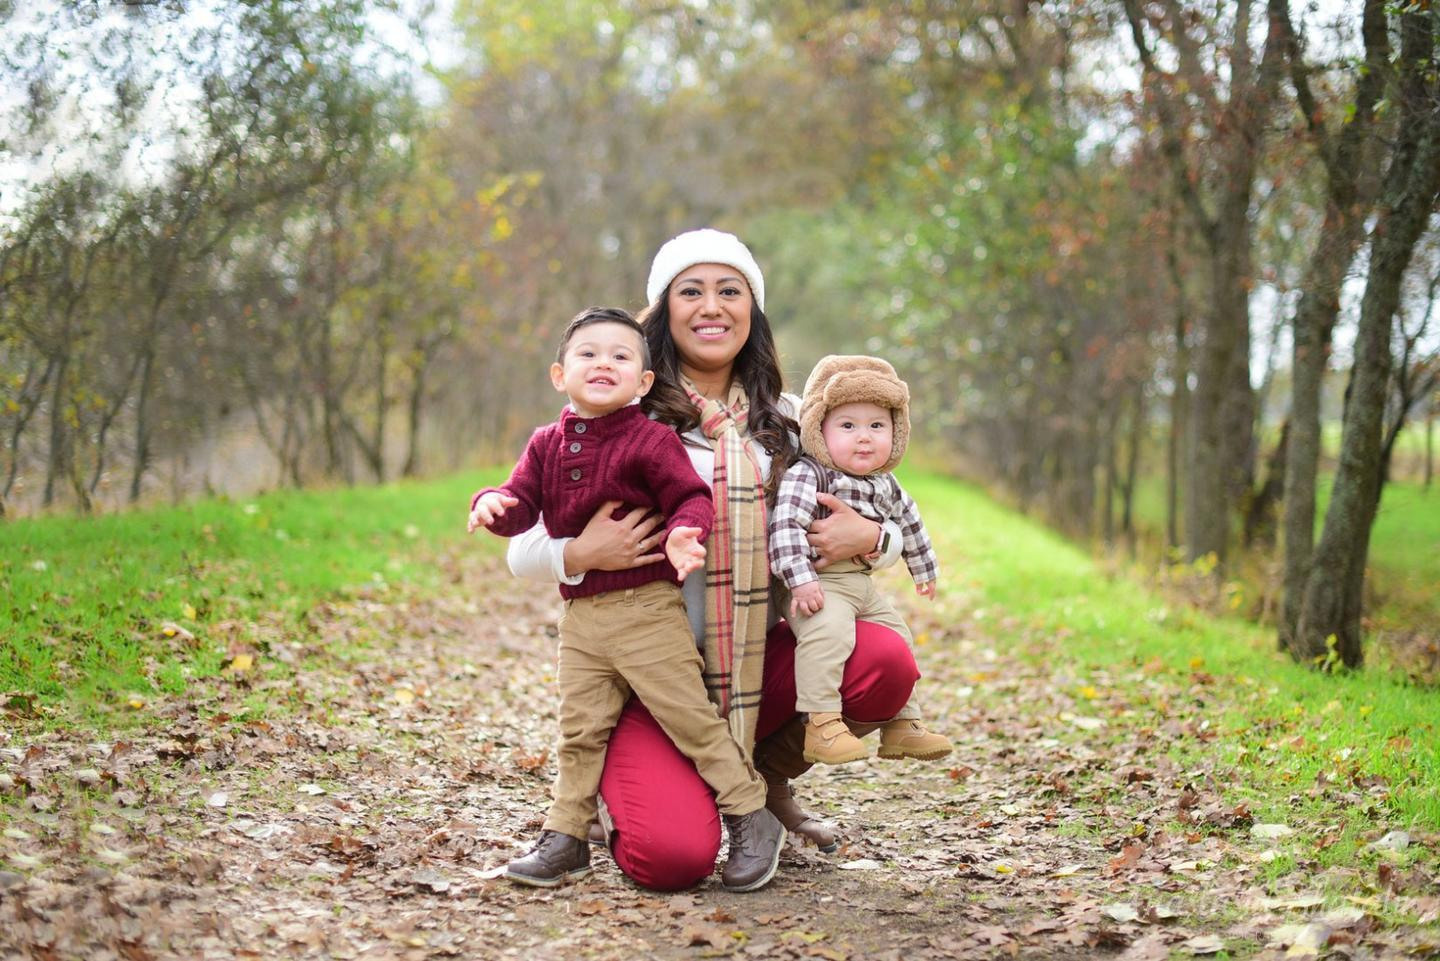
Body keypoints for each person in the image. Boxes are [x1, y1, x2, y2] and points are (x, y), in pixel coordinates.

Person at [502, 229, 921, 891]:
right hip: (650, 676)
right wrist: (580, 552)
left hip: (757, 665)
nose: (712, 306)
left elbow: (888, 512)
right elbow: (520, 546)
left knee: (883, 661)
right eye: (690, 290)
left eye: (730, 291)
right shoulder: (623, 414)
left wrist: (872, 540)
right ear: (663, 311)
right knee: (672, 858)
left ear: (751, 310)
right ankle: (629, 786)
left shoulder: (788, 424)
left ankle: (763, 777)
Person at [468, 306, 786, 892]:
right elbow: (519, 505)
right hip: (582, 617)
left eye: (621, 356)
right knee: (579, 727)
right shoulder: (546, 445)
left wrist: (686, 533)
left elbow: (692, 496)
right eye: (588, 354)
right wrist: (491, 505)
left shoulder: (650, 439)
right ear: (559, 374)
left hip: (646, 613)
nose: (603, 364)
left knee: (689, 718)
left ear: (643, 382)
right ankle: (566, 834)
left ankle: (750, 813)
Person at [769, 354, 952, 765]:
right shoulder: (811, 474)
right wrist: (800, 580)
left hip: (860, 585)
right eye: (848, 426)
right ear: (819, 430)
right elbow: (784, 527)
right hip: (816, 583)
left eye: (877, 426)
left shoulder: (885, 482)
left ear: (896, 433)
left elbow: (910, 522)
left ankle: (903, 723)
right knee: (828, 633)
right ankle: (821, 722)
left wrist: (925, 570)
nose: (864, 437)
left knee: (899, 635)